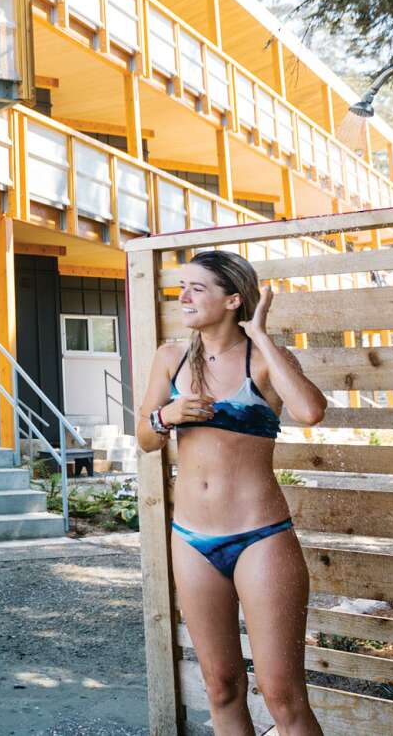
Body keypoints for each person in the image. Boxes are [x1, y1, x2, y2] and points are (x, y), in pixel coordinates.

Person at [135, 250, 328, 735]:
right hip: (192, 540)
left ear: (232, 299)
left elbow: (309, 411)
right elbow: (144, 437)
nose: (183, 297)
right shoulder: (170, 358)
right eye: (182, 287)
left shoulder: (264, 360)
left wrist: (260, 333)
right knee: (221, 685)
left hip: (260, 535)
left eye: (197, 288)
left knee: (283, 695)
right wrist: (166, 416)